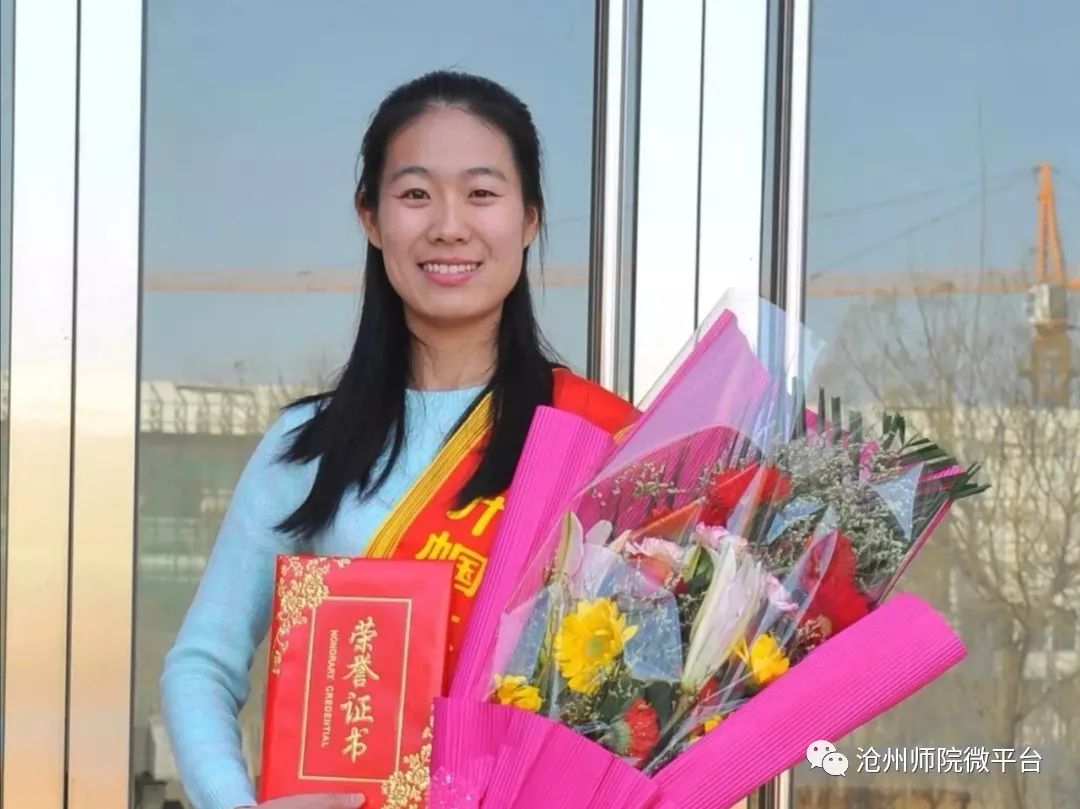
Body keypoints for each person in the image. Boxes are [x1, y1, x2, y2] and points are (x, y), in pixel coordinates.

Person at [160, 70, 638, 809]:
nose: (449, 225)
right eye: (415, 194)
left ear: (529, 219)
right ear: (371, 217)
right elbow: (202, 664)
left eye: (481, 193)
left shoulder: (598, 440)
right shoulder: (307, 445)